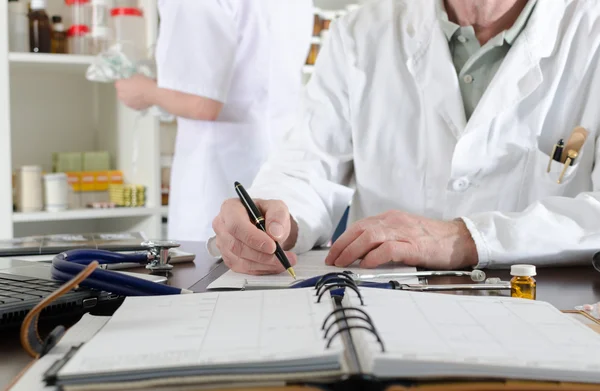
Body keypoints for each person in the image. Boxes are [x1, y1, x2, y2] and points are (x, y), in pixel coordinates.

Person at [211, 0, 600, 275]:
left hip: (542, 309)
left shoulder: (590, 32)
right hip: (384, 308)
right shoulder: (361, 34)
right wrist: (277, 220)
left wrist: (466, 238)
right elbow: (305, 167)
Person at [115, 0, 314, 241]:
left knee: (213, 267)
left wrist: (145, 91)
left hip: (216, 180)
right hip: (282, 169)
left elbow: (203, 104)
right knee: (268, 266)